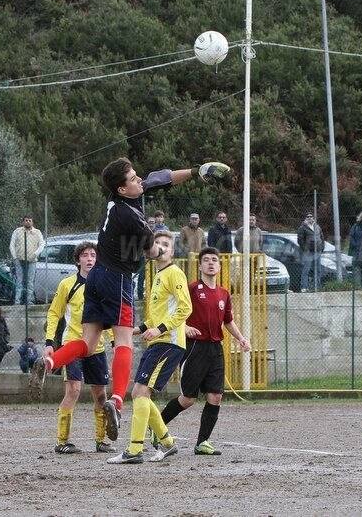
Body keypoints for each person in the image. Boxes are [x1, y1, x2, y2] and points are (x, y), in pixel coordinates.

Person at [30, 157, 226, 442]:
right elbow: (149, 250)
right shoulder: (129, 216)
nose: (139, 180)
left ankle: (49, 363)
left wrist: (197, 171)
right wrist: (163, 253)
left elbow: (163, 178)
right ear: (122, 190)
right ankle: (118, 402)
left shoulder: (118, 198)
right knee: (123, 342)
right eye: (133, 179)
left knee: (87, 344)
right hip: (117, 279)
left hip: (95, 278)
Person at [107, 231, 191, 464]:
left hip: (169, 342)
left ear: (172, 252)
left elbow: (185, 308)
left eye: (166, 244)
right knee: (139, 393)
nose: (162, 247)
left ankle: (134, 450)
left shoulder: (174, 273)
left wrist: (160, 329)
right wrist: (137, 329)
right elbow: (155, 317)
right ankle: (167, 443)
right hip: (158, 341)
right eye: (158, 243)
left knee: (141, 393)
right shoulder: (156, 276)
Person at [157, 247, 251, 455]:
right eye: (206, 260)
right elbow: (174, 312)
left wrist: (241, 338)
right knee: (189, 399)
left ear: (219, 266)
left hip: (215, 349)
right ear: (200, 266)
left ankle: (202, 442)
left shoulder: (224, 293)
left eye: (214, 260)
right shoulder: (191, 289)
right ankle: (158, 427)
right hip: (195, 348)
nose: (210, 263)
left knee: (215, 396)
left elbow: (228, 321)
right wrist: (183, 327)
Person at [44, 241, 116, 454]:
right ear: (78, 260)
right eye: (85, 255)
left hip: (97, 347)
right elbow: (54, 313)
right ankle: (62, 441)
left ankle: (101, 440)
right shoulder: (67, 284)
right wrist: (49, 342)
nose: (90, 259)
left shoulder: (103, 285)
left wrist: (114, 341)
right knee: (73, 390)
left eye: (93, 255)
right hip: (73, 345)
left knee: (101, 396)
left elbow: (109, 318)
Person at [9, 215, 45, 305]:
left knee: (30, 281)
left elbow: (41, 245)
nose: (28, 222)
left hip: (32, 260)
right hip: (19, 260)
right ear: (23, 222)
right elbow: (11, 245)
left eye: (29, 220)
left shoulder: (37, 232)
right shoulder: (17, 231)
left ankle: (29, 301)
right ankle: (17, 301)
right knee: (19, 281)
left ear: (32, 222)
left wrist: (35, 254)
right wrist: (15, 257)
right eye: (26, 220)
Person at [297, 213, 324, 292]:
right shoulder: (302, 228)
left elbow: (322, 237)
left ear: (313, 218)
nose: (309, 218)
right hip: (308, 252)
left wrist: (322, 247)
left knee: (318, 270)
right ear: (305, 218)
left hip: (317, 251)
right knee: (306, 270)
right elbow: (300, 240)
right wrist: (305, 248)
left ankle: (317, 286)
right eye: (308, 217)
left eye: (311, 216)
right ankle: (304, 287)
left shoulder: (317, 227)